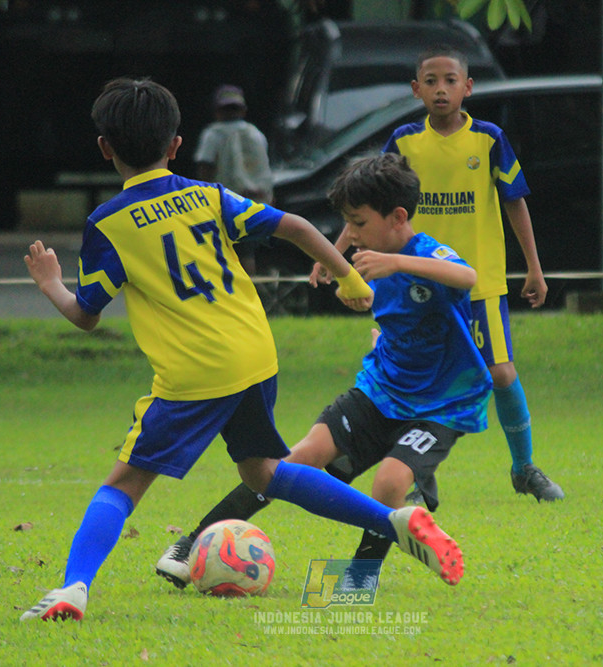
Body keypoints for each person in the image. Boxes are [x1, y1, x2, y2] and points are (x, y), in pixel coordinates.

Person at [19, 78, 463, 622]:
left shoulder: (106, 224)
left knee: (125, 483)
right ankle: (391, 520)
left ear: (105, 148)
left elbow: (86, 315)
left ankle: (73, 588)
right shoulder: (206, 197)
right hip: (255, 356)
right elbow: (296, 227)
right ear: (177, 145)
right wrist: (347, 277)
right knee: (263, 472)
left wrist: (49, 284)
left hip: (194, 373)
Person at [155, 152, 491, 588]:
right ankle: (193, 542)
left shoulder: (422, 254)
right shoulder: (366, 256)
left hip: (442, 403)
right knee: (293, 461)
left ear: (398, 217)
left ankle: (360, 576)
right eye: (346, 223)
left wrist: (397, 263)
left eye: (358, 222)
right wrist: (332, 257)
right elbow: (370, 281)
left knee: (390, 481)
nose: (351, 233)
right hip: (381, 389)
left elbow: (466, 276)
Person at [316, 45, 564, 502]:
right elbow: (367, 201)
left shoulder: (489, 139)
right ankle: (415, 475)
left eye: (450, 80)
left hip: (477, 281)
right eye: (430, 81)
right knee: (416, 373)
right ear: (416, 90)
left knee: (502, 374)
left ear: (468, 87)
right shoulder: (405, 142)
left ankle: (524, 467)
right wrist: (332, 256)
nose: (441, 89)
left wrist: (534, 267)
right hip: (413, 285)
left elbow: (515, 201)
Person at [193, 84, 273, 275]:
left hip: (225, 202)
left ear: (216, 111)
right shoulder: (256, 133)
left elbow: (205, 167)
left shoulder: (213, 134)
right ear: (243, 110)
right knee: (249, 251)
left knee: (224, 251)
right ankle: (252, 292)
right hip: (257, 201)